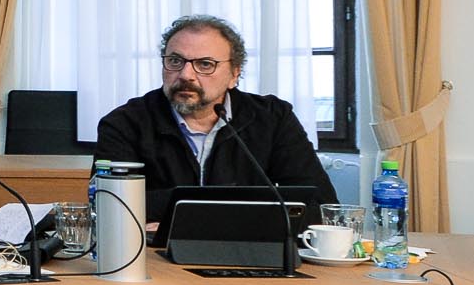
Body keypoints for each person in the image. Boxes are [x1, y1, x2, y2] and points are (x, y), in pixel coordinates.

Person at [95, 14, 336, 219]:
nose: (186, 75)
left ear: (234, 74)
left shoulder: (273, 118)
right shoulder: (124, 123)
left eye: (205, 64)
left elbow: (319, 204)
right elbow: (109, 205)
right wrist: (242, 207)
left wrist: (184, 216)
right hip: (156, 254)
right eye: (175, 61)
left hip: (250, 251)